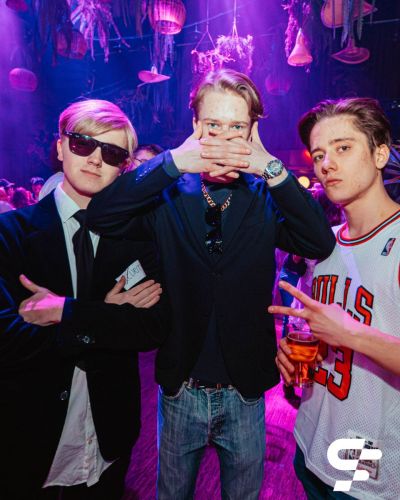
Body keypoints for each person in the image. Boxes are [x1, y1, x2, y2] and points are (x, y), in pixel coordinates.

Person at [86, 68, 335, 499]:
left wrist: (273, 168)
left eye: (236, 127)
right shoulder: (168, 193)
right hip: (181, 387)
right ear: (195, 126)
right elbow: (102, 216)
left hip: (246, 391)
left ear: (253, 131)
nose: (223, 139)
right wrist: (171, 162)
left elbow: (319, 242)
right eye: (213, 125)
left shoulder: (264, 196)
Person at [0, 99, 169, 500]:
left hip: (107, 438)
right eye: (82, 143)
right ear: (60, 147)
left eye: (111, 153)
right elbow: (5, 339)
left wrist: (65, 312)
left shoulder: (135, 238)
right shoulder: (9, 234)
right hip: (28, 438)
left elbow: (152, 327)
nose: (95, 159)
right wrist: (107, 317)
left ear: (123, 167)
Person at [269, 97, 400, 500]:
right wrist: (291, 353)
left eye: (343, 148)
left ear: (380, 155)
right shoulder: (322, 245)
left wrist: (351, 334)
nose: (326, 164)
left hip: (367, 455)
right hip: (310, 439)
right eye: (319, 154)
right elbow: (317, 331)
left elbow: (347, 330)